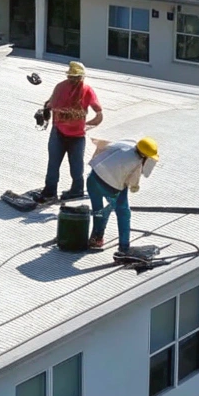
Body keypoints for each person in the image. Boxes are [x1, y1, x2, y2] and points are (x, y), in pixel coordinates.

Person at [39, 62, 104, 202]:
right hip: (61, 133)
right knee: (56, 164)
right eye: (72, 77)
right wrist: (44, 113)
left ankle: (75, 190)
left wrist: (88, 125)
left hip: (75, 136)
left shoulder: (86, 90)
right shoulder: (61, 88)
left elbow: (99, 113)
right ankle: (51, 191)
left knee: (74, 165)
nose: (74, 80)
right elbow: (49, 105)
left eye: (77, 77)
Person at [87, 137, 157, 254]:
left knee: (98, 211)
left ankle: (96, 238)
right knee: (124, 213)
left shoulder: (126, 144)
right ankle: (124, 248)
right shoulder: (138, 162)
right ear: (145, 155)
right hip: (112, 188)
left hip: (93, 179)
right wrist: (135, 186)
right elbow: (133, 183)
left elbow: (105, 146)